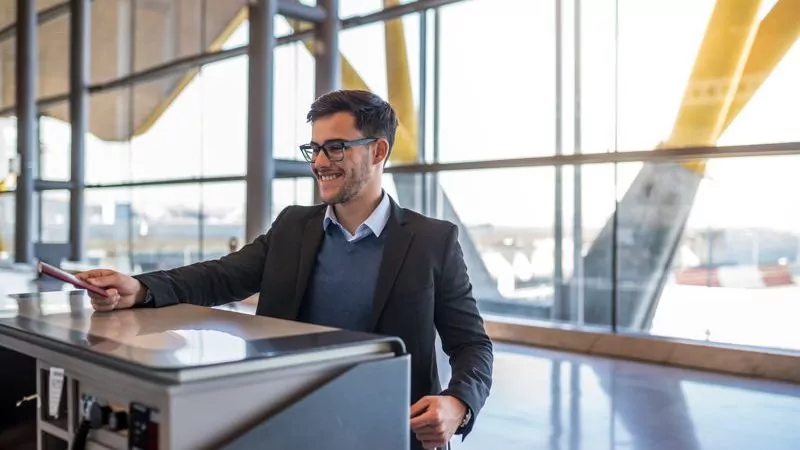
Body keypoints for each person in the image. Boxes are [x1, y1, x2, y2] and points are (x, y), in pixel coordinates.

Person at [77, 89, 493, 450]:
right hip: (290, 422)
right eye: (314, 148)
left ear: (378, 150)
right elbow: (220, 276)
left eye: (336, 147)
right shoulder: (294, 226)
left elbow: (472, 344)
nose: (319, 162)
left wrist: (457, 403)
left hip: (388, 431)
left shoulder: (432, 240)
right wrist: (140, 288)